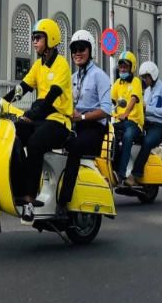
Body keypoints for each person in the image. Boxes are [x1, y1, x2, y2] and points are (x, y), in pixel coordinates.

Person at [3, 18, 72, 224]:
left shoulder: (61, 65)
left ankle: (29, 199)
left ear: (50, 39)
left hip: (59, 122)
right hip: (42, 120)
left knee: (34, 144)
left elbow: (50, 98)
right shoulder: (39, 65)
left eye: (38, 38)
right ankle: (18, 186)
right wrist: (3, 101)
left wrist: (31, 114)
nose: (34, 42)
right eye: (33, 38)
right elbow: (22, 88)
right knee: (12, 134)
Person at [59, 30, 112, 209]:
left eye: (82, 48)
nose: (77, 53)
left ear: (90, 51)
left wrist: (81, 117)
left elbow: (106, 109)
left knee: (73, 147)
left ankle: (63, 201)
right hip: (75, 126)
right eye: (74, 49)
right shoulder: (72, 78)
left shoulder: (100, 76)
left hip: (94, 129)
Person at [130, 61, 162, 184]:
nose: (144, 80)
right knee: (127, 136)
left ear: (152, 76)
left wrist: (147, 108)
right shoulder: (147, 91)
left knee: (147, 142)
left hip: (158, 128)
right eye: (143, 77)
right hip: (146, 125)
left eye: (146, 77)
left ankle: (136, 173)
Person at [111, 51, 145, 186]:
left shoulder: (136, 82)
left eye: (125, 67)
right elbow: (111, 100)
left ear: (132, 68)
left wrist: (126, 113)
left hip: (134, 124)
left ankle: (122, 173)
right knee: (107, 134)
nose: (123, 69)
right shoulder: (118, 83)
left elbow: (133, 99)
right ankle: (112, 166)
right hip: (121, 122)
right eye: (121, 67)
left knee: (127, 137)